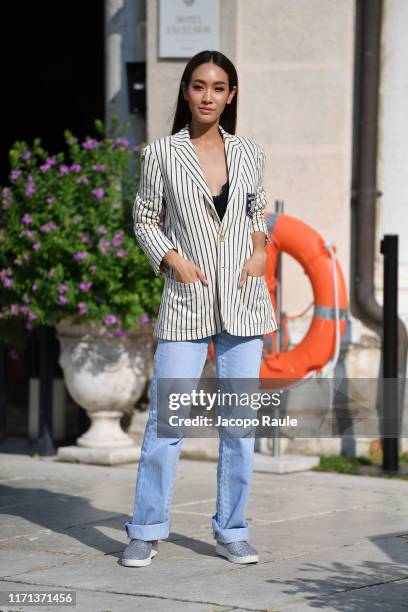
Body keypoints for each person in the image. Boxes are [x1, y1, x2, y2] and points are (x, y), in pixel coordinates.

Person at [121, 50, 278, 568]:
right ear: (186, 91)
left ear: (231, 95)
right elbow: (145, 218)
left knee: (239, 425)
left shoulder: (250, 152)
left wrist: (260, 249)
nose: (208, 96)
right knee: (167, 423)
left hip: (244, 300)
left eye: (218, 87)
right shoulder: (162, 153)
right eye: (199, 86)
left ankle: (231, 529)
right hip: (186, 301)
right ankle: (145, 529)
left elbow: (257, 209)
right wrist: (171, 259)